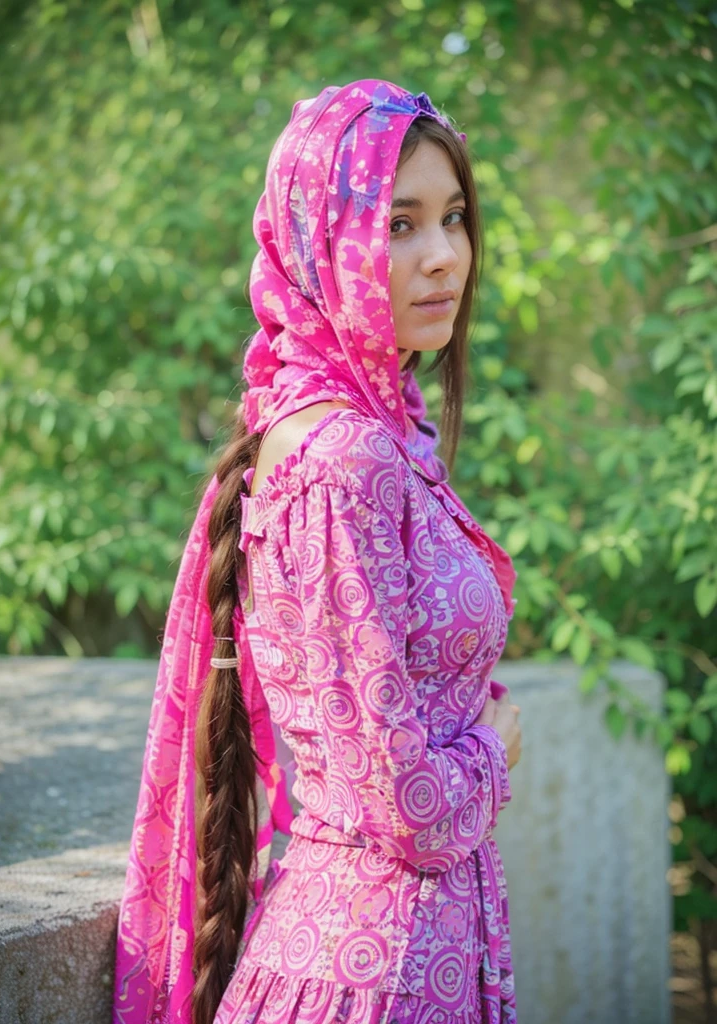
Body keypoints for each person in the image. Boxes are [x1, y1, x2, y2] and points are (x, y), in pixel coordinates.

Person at [112, 79, 522, 1024]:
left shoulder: (382, 432)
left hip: (409, 958)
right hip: (366, 977)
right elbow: (408, 805)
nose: (443, 258)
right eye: (398, 225)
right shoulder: (342, 457)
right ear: (319, 245)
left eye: (454, 218)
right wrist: (496, 749)